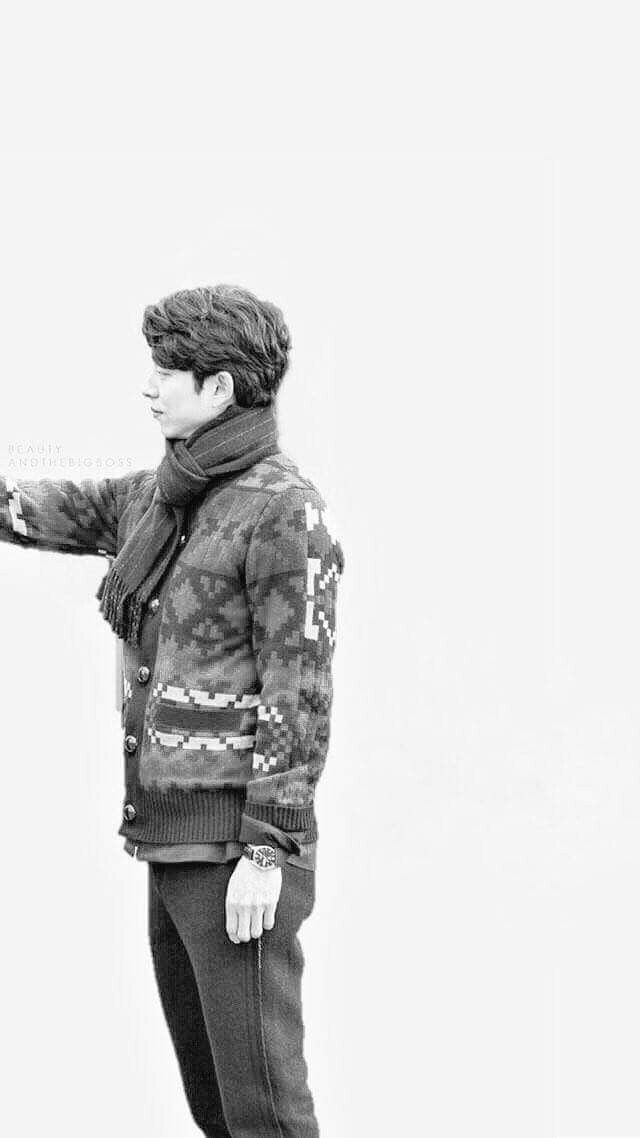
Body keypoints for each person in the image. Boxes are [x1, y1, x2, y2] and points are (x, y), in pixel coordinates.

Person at [0, 284, 344, 1138]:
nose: (148, 388)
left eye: (166, 373)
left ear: (219, 388)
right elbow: (42, 509)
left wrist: (268, 850)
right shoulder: (165, 495)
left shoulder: (281, 511)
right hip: (172, 837)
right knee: (216, 1107)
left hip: (238, 852)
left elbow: (299, 687)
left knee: (263, 1110)